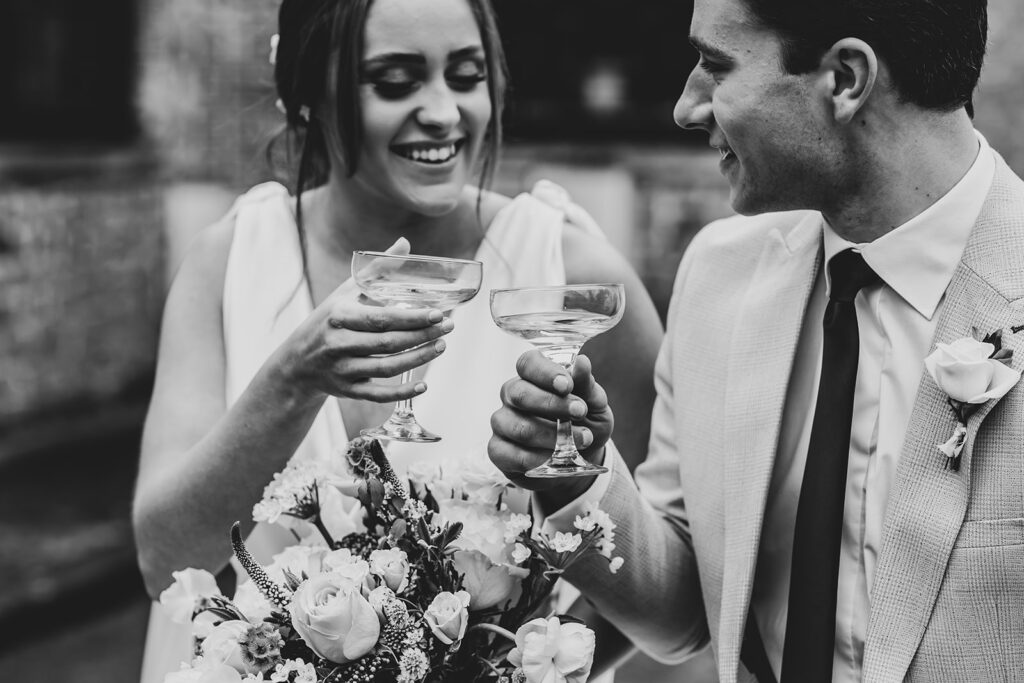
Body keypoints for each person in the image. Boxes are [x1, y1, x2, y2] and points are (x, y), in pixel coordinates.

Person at [489, 0, 1024, 681]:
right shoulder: (719, 277)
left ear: (845, 79)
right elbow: (686, 613)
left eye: (716, 65)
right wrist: (577, 482)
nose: (686, 107)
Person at [131, 0, 663, 680]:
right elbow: (165, 559)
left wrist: (520, 668)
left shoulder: (568, 280)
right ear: (306, 96)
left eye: (467, 76)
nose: (444, 113)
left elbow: (661, 566)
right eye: (395, 80)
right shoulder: (227, 266)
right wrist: (292, 380)